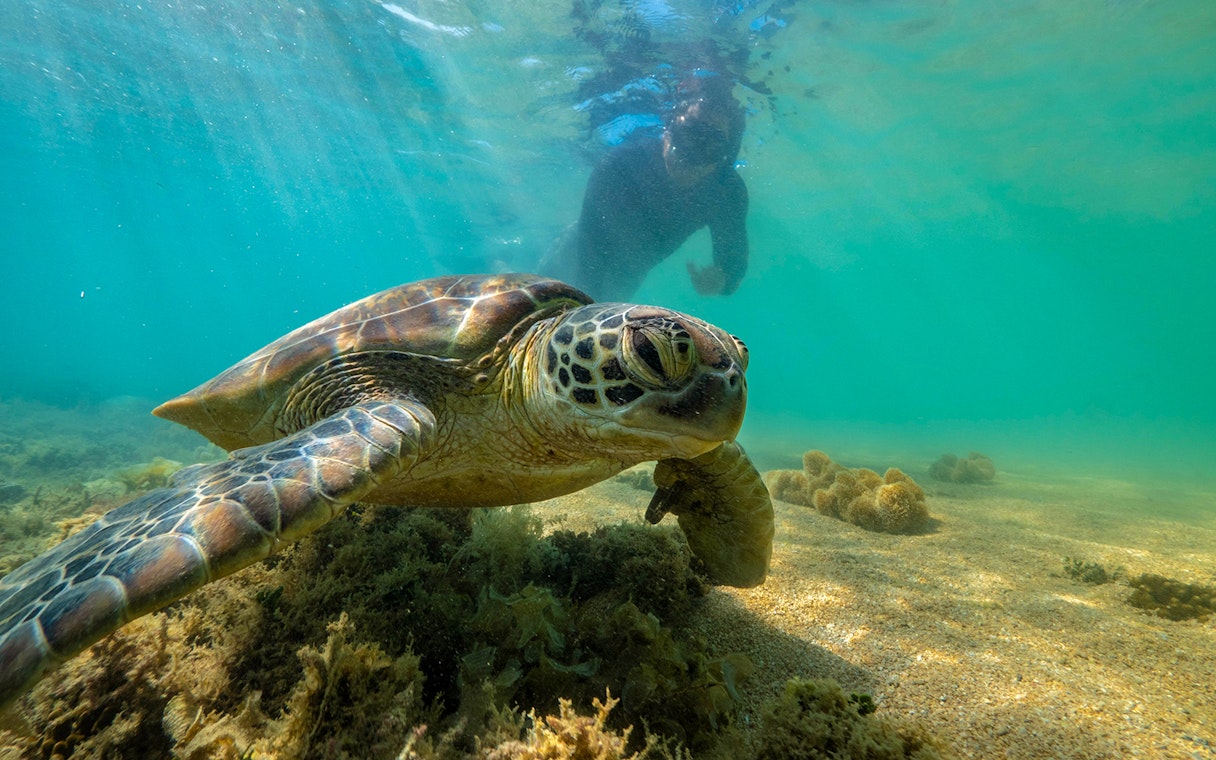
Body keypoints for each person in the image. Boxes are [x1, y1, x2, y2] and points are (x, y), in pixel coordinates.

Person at [541, 75, 749, 301]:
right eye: (689, 134)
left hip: (629, 273)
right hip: (581, 250)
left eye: (711, 145)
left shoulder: (727, 192)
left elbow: (732, 264)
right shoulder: (618, 166)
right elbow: (590, 257)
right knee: (540, 295)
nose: (691, 159)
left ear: (725, 158)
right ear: (667, 132)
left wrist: (722, 280)